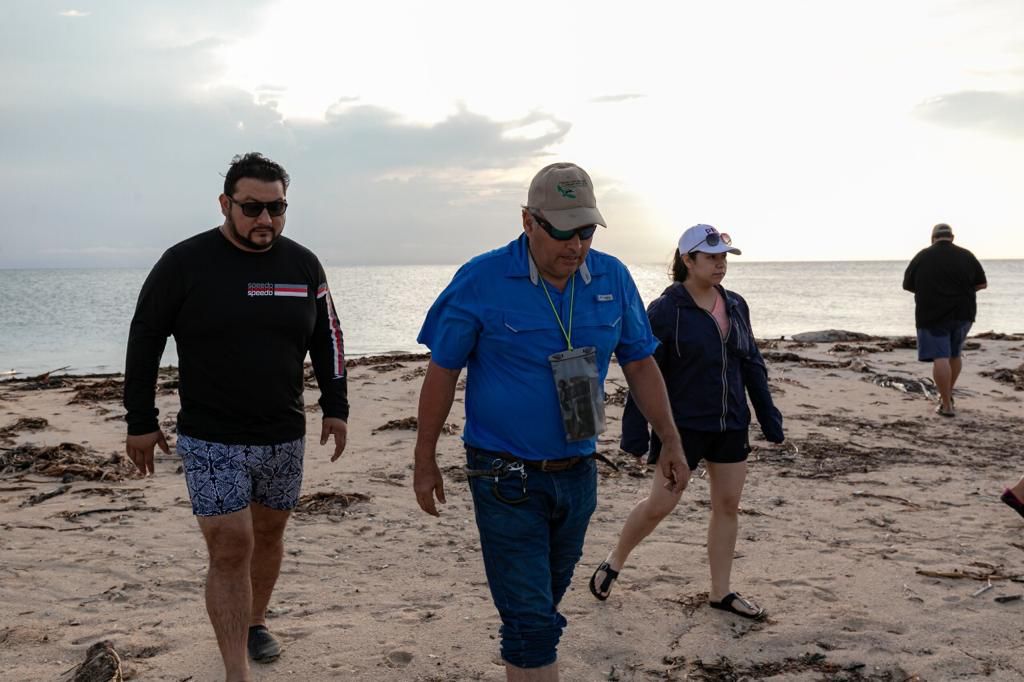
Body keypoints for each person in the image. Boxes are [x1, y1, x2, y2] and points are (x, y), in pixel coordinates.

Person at [413, 162, 688, 681]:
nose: (576, 245)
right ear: (528, 222)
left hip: (579, 474)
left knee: (541, 608)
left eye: (586, 230)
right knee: (533, 624)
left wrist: (668, 439)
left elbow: (640, 361)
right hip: (504, 476)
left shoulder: (613, 277)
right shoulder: (481, 279)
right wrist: (423, 458)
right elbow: (442, 373)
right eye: (563, 231)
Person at [123, 153, 349, 682]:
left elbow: (328, 337)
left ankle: (254, 622)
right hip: (210, 434)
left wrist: (335, 406)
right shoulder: (184, 263)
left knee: (268, 536)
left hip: (282, 432)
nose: (264, 220)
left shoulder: (304, 266)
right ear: (226, 204)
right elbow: (144, 338)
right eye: (251, 208)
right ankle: (235, 671)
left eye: (276, 209)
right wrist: (140, 417)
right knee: (232, 545)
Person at [588, 224, 784, 621]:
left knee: (728, 505)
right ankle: (615, 560)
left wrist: (769, 418)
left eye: (724, 257)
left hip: (730, 424)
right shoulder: (664, 311)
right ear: (687, 260)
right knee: (661, 504)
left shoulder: (736, 305)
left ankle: (720, 592)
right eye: (711, 257)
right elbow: (643, 370)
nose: (720, 265)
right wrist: (636, 435)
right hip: (682, 429)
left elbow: (751, 363)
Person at [902, 223, 987, 417]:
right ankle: (946, 396)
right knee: (954, 355)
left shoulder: (922, 256)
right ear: (952, 237)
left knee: (940, 357)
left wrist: (930, 291)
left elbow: (907, 285)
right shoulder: (967, 255)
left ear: (933, 238)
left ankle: (947, 405)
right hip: (963, 313)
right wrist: (962, 291)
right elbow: (982, 284)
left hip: (932, 314)